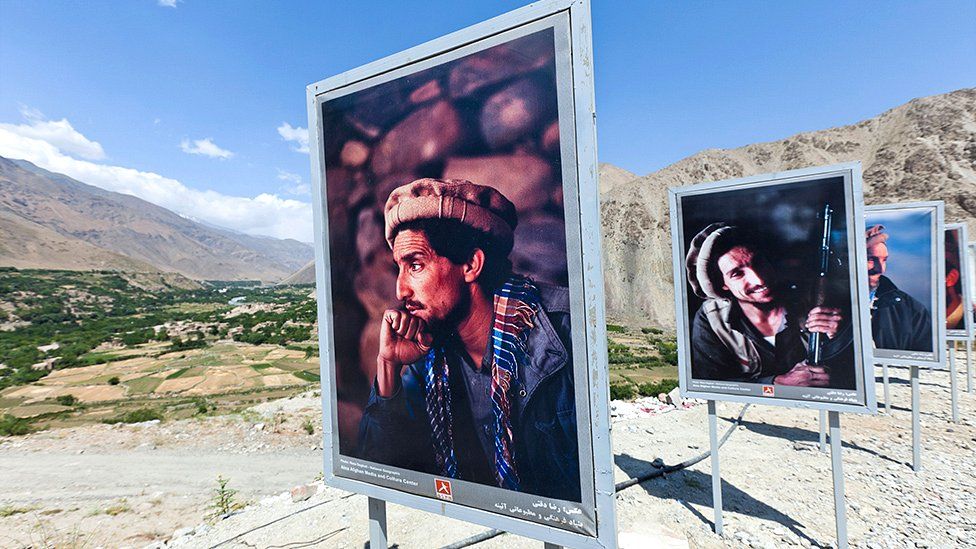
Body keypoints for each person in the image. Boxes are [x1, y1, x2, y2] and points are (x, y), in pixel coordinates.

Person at [357, 178, 580, 502]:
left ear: (471, 265)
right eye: (400, 269)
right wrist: (387, 366)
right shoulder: (428, 360)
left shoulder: (564, 333)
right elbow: (382, 472)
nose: (400, 290)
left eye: (416, 265)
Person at [686, 223, 854, 388]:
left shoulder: (815, 298)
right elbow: (709, 384)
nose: (759, 279)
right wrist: (775, 384)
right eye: (737, 274)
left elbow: (853, 373)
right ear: (722, 284)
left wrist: (839, 337)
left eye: (758, 262)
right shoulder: (712, 319)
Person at [865, 225, 933, 352]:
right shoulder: (827, 303)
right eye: (870, 259)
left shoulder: (912, 309)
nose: (881, 269)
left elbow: (924, 362)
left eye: (884, 260)